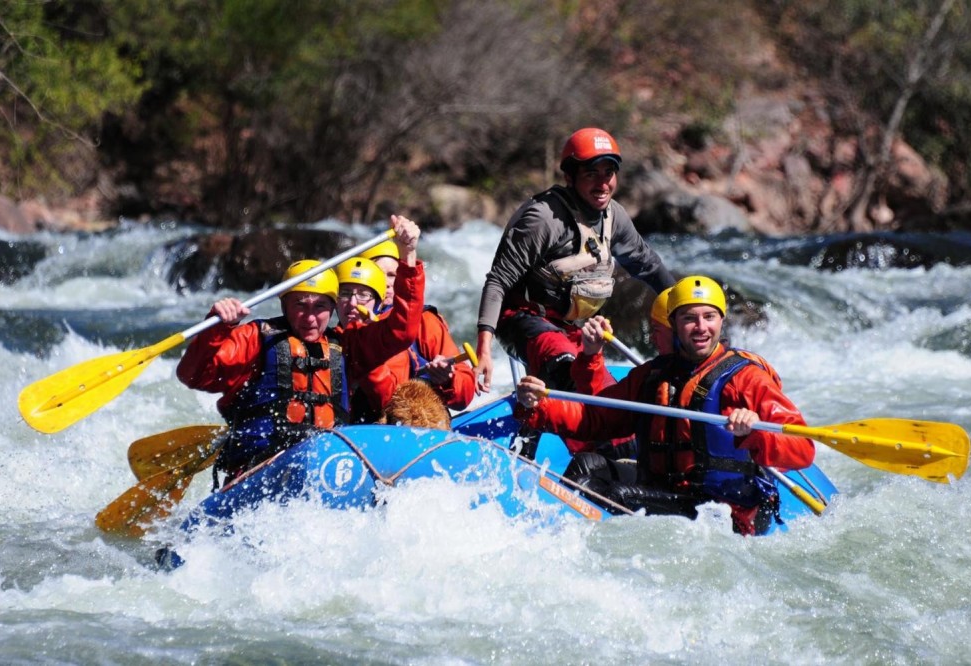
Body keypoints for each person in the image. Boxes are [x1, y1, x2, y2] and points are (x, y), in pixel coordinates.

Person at [514, 276, 815, 535]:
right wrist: (540, 405)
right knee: (587, 465)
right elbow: (598, 418)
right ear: (673, 324)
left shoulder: (747, 378)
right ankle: (556, 538)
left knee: (617, 494)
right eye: (689, 318)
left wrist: (755, 432)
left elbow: (803, 448)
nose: (700, 327)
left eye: (709, 317)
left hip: (722, 510)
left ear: (721, 321)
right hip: (665, 490)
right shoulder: (655, 374)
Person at [177, 215, 424, 480]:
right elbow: (194, 375)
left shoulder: (348, 346)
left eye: (319, 307)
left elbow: (402, 329)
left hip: (324, 469)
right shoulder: (255, 338)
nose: (309, 317)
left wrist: (408, 254)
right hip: (258, 470)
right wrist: (217, 329)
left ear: (332, 309)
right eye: (300, 305)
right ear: (284, 305)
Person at [475, 127, 676, 393]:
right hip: (520, 319)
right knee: (571, 379)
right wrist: (484, 351)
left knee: (608, 402)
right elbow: (497, 282)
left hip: (566, 326)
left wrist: (683, 308)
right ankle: (547, 420)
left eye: (609, 173)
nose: (603, 184)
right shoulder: (544, 219)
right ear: (570, 176)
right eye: (591, 174)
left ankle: (543, 424)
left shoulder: (614, 216)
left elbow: (648, 266)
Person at [341, 244, 476, 423]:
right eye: (380, 275)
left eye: (393, 275)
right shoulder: (345, 328)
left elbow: (464, 395)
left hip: (417, 422)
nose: (388, 283)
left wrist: (448, 380)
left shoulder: (424, 322)